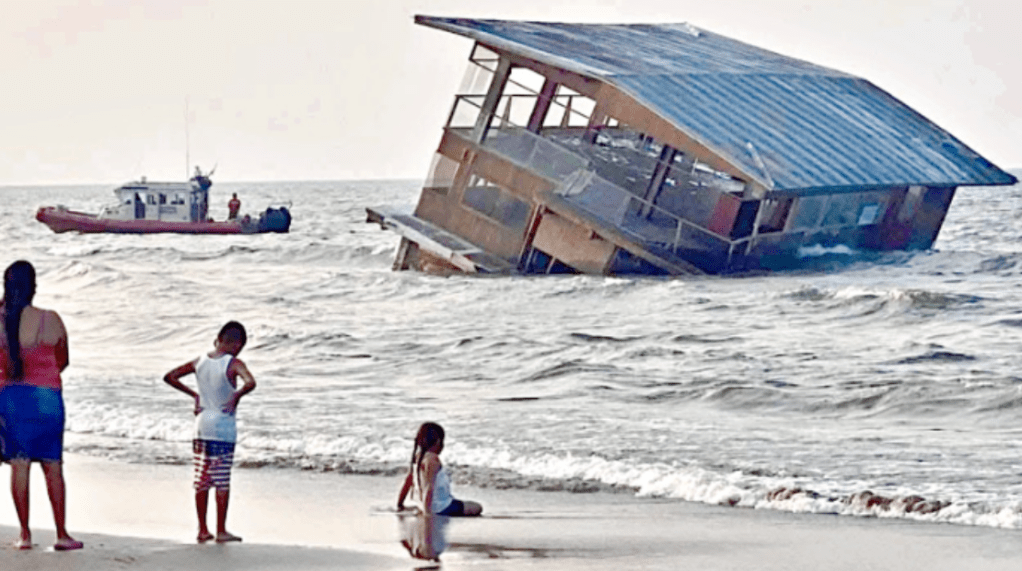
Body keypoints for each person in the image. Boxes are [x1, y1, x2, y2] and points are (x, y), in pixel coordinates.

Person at [0, 261, 83, 551]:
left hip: (11, 398)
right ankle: (61, 534)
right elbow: (63, 360)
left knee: (19, 464)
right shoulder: (51, 319)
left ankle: (25, 535)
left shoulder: (1, 321)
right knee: (53, 465)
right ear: (34, 286)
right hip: (48, 397)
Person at [163, 321, 256, 544]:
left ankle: (203, 529)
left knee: (202, 479)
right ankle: (221, 530)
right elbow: (251, 382)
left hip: (201, 425)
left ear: (218, 339)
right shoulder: (233, 363)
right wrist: (237, 395)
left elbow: (170, 376)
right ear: (236, 343)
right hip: (223, 428)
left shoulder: (200, 361)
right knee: (222, 480)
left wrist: (194, 395)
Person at [396, 422, 482, 517]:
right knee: (477, 507)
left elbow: (408, 481)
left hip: (426, 505)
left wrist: (400, 504)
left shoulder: (418, 457)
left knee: (465, 503)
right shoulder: (432, 459)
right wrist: (427, 514)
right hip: (441, 507)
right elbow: (429, 488)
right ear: (438, 441)